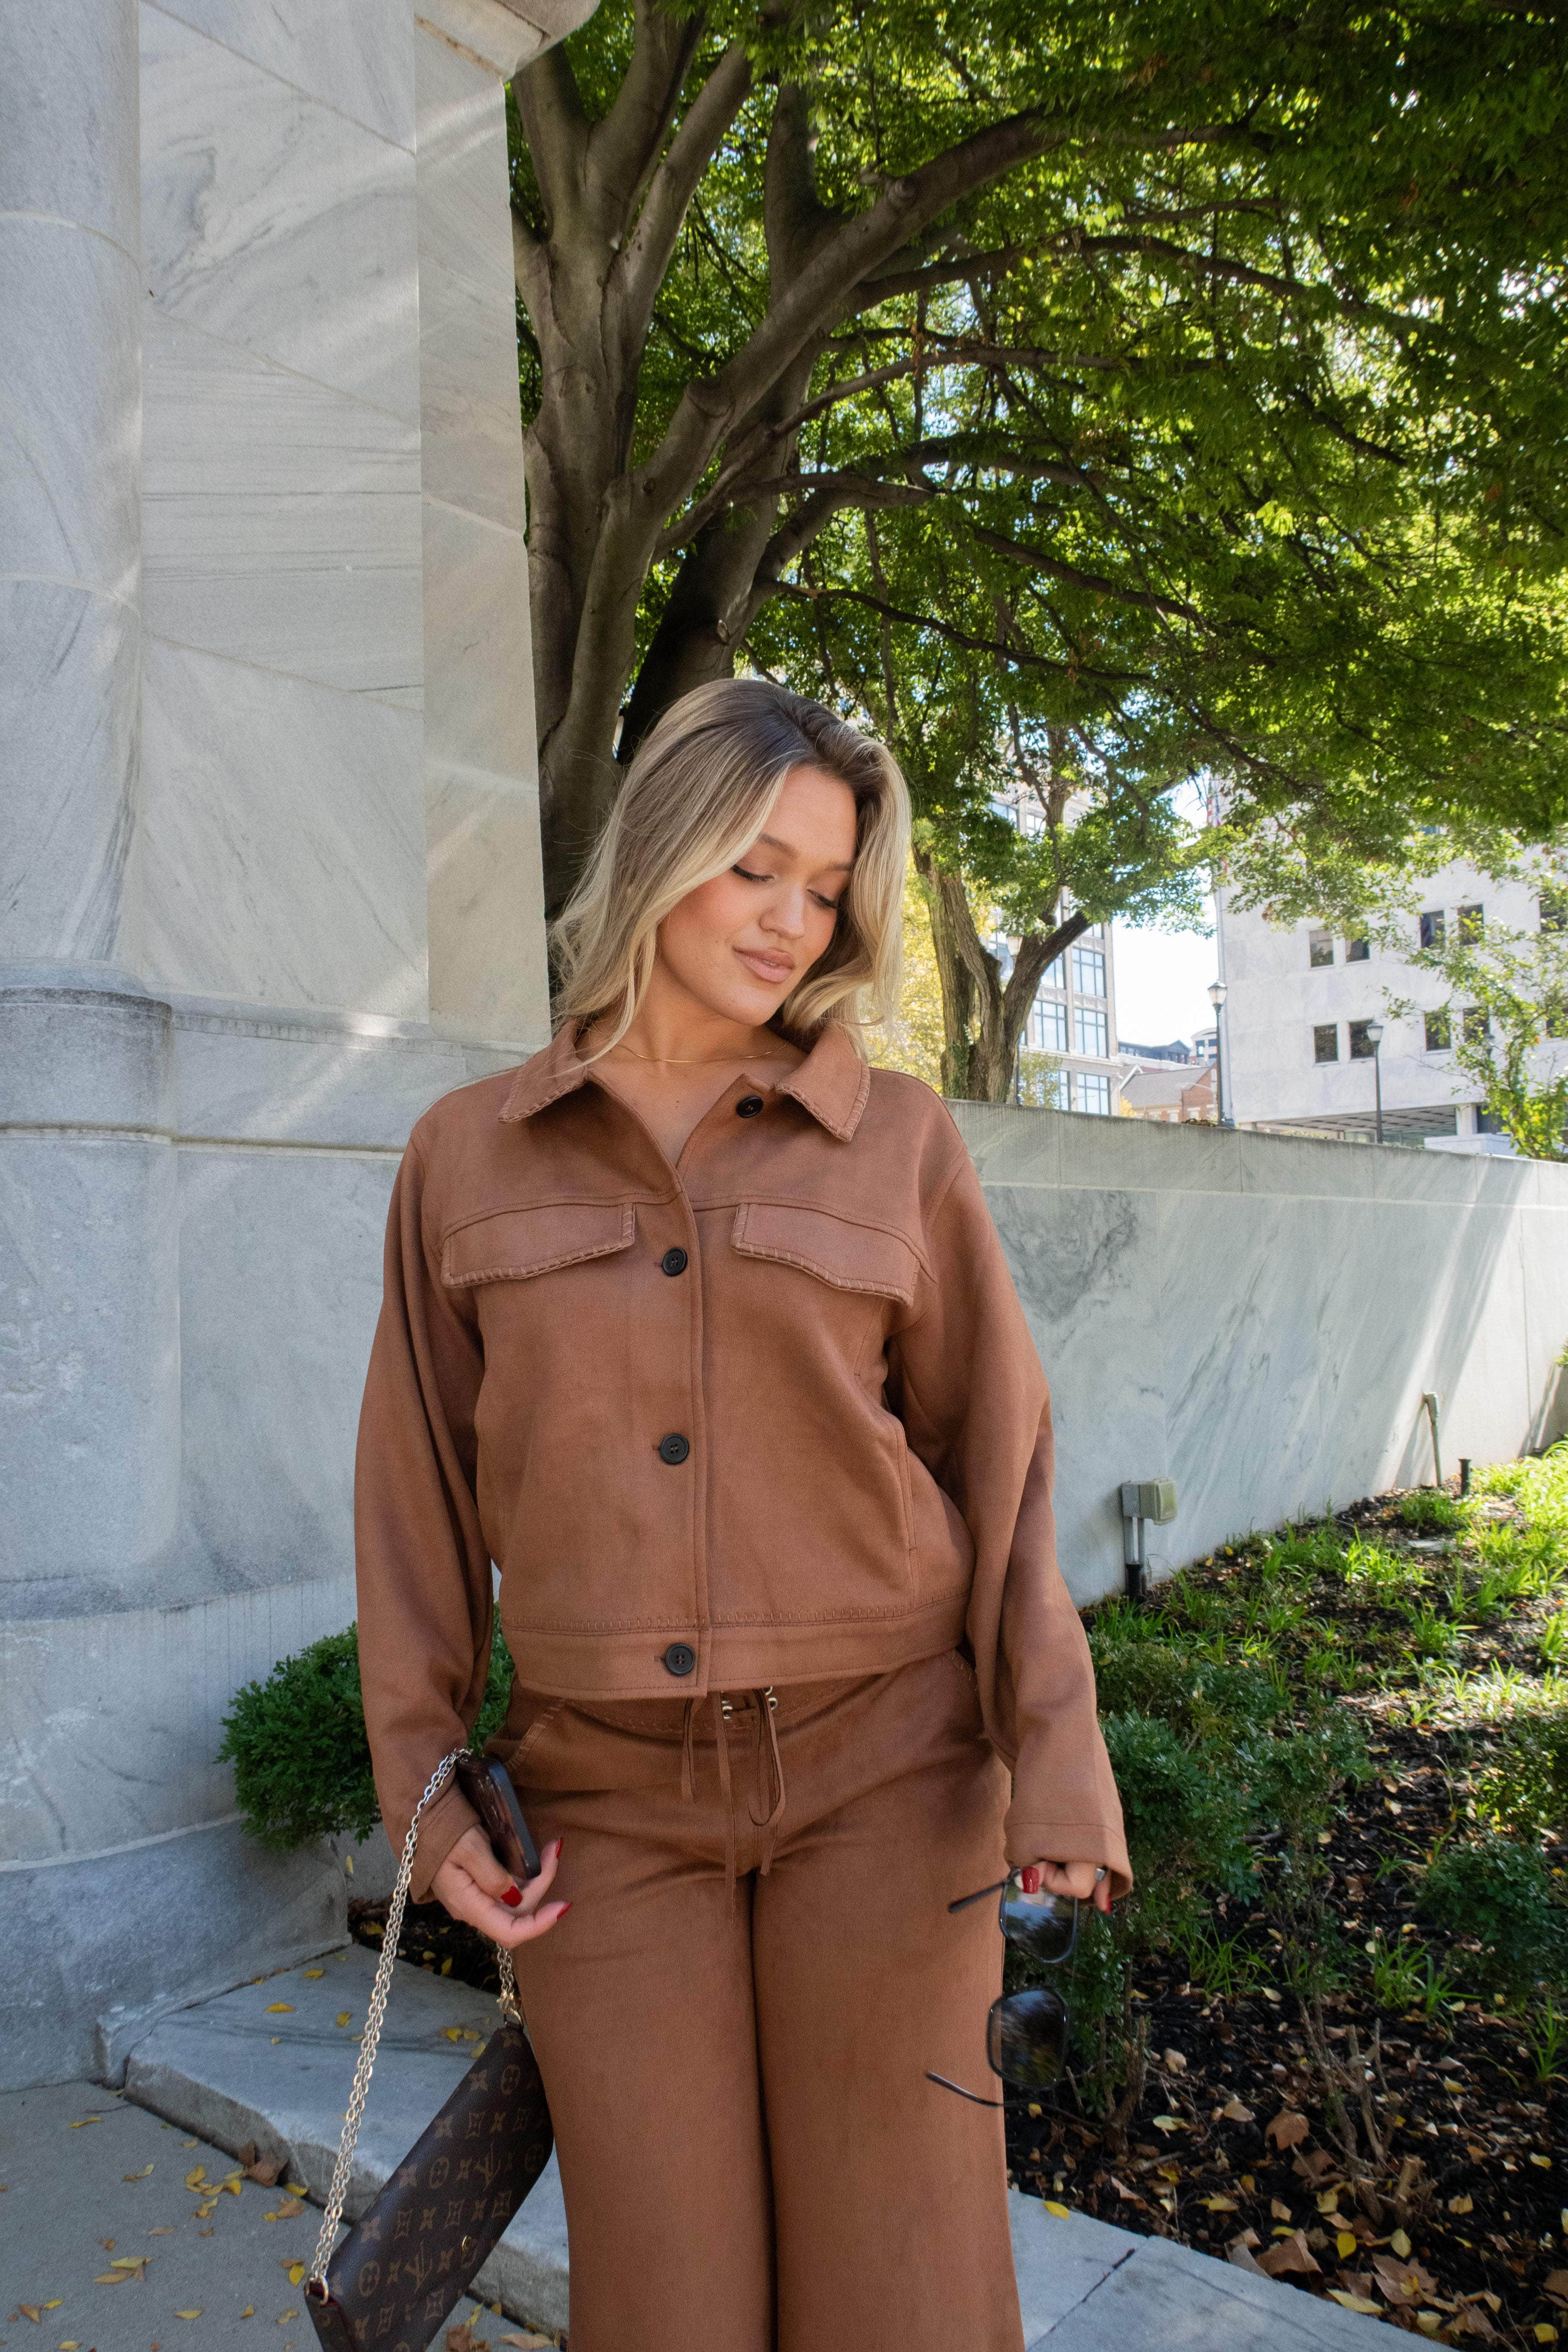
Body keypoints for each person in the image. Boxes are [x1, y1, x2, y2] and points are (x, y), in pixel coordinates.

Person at [354, 677, 1130, 2352]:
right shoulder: (464, 1159)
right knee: (669, 2307)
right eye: (754, 869)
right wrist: (426, 1795)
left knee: (899, 2296)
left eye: (827, 886)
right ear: (660, 853)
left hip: (891, 1777)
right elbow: (411, 1490)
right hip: (603, 1811)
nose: (795, 922)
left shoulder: (897, 1143)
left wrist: (1056, 1758)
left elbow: (1001, 1470)